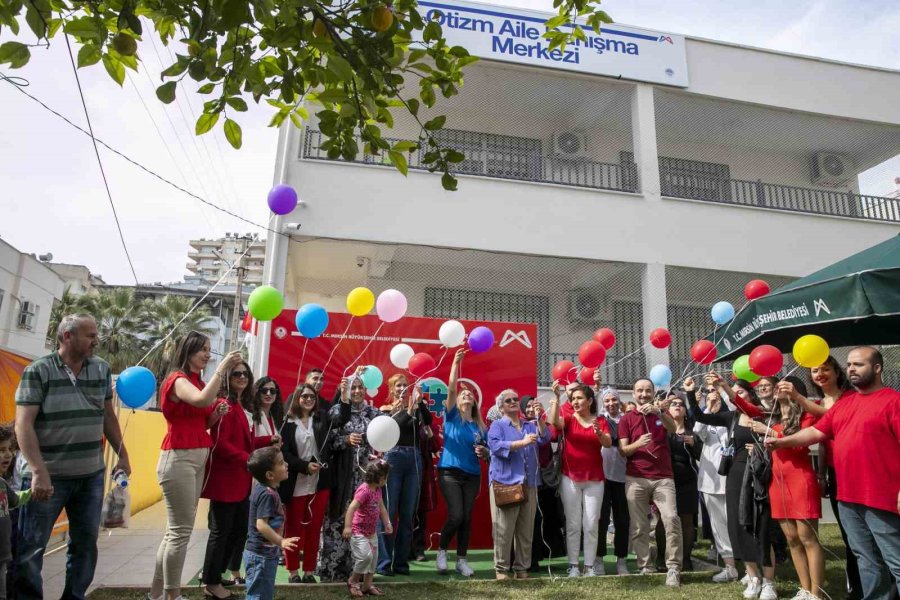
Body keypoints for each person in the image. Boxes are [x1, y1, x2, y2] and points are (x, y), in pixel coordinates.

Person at [14, 314, 131, 600]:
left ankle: (74, 596)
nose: (97, 340)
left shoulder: (101, 369)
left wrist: (123, 454)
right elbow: (23, 424)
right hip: (47, 478)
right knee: (30, 548)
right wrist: (39, 471)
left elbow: (107, 415)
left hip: (90, 475)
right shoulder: (38, 371)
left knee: (85, 545)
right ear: (68, 336)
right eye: (90, 335)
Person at [768, 347, 900, 600]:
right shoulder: (847, 403)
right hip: (849, 497)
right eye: (849, 364)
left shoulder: (893, 401)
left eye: (858, 364)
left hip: (881, 497)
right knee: (866, 560)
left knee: (894, 559)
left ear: (877, 368)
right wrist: (782, 442)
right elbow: (817, 432)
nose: (851, 369)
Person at [144, 332, 241, 600]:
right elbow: (200, 400)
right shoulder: (178, 380)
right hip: (178, 459)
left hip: (196, 458)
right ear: (188, 351)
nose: (209, 355)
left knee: (174, 532)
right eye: (204, 350)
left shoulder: (196, 381)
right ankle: (172, 595)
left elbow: (201, 422)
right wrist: (222, 369)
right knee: (179, 533)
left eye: (210, 350)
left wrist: (215, 415)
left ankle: (156, 594)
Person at [741, 378, 824, 600]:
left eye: (783, 386)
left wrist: (774, 435)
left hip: (799, 479)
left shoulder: (807, 414)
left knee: (808, 538)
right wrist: (723, 387)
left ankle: (817, 593)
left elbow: (800, 444)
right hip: (777, 482)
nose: (777, 389)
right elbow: (745, 405)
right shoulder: (773, 417)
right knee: (792, 539)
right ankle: (805, 589)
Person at [201, 364, 278, 598]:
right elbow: (221, 444)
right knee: (220, 531)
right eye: (236, 373)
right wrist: (249, 459)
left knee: (236, 532)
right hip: (226, 480)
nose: (242, 377)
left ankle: (217, 576)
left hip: (241, 481)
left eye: (245, 374)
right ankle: (210, 582)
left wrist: (267, 441)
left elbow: (245, 442)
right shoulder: (223, 404)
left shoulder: (240, 405)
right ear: (227, 377)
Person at [700, 374, 779, 600]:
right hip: (735, 475)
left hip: (757, 475)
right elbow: (699, 418)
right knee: (738, 526)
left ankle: (769, 582)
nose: (736, 397)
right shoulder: (733, 417)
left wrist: (724, 386)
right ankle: (753, 577)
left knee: (760, 526)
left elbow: (776, 437)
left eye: (741, 392)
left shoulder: (762, 414)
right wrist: (692, 395)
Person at [790, 356, 861, 600]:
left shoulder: (851, 398)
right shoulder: (819, 402)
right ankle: (856, 585)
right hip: (834, 471)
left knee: (863, 533)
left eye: (825, 369)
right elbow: (821, 440)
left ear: (837, 372)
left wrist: (799, 399)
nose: (820, 374)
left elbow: (834, 420)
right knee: (848, 532)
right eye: (814, 371)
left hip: (857, 469)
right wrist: (821, 474)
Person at [279, 383, 350, 583]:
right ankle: (293, 571)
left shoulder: (321, 418)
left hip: (319, 484)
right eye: (305, 396)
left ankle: (309, 571)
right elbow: (284, 454)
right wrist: (303, 466)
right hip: (295, 483)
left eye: (312, 396)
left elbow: (342, 418)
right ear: (297, 398)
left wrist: (344, 396)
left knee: (314, 527)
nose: (309, 399)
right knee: (293, 529)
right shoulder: (287, 422)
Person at [617, 378, 682, 587]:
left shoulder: (659, 415)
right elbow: (622, 450)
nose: (643, 394)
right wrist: (637, 444)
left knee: (671, 518)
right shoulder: (626, 418)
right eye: (640, 391)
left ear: (653, 393)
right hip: (636, 478)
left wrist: (659, 413)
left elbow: (674, 429)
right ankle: (645, 565)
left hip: (663, 478)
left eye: (647, 391)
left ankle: (673, 567)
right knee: (639, 526)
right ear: (633, 394)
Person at [318, 371, 381, 582]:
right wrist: (345, 440)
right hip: (341, 476)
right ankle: (332, 571)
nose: (356, 391)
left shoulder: (374, 413)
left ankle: (358, 571)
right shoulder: (337, 410)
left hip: (364, 478)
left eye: (360, 388)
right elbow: (327, 440)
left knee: (360, 523)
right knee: (337, 522)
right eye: (353, 387)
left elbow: (383, 436)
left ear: (365, 390)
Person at [547, 382, 611, 577]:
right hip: (570, 478)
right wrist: (557, 399)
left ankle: (589, 567)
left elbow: (608, 443)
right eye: (573, 398)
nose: (575, 401)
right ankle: (574, 565)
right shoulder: (568, 418)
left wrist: (599, 434)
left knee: (591, 523)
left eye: (579, 398)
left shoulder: (599, 421)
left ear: (590, 401)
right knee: (573, 524)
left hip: (595, 479)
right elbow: (554, 423)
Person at [488, 388, 550, 580]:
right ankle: (501, 569)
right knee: (504, 529)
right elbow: (496, 446)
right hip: (505, 483)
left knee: (525, 530)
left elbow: (545, 438)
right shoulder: (497, 425)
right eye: (509, 400)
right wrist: (521, 443)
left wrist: (539, 418)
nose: (514, 402)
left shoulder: (529, 425)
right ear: (502, 406)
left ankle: (522, 569)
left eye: (515, 399)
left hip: (529, 482)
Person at [435, 349, 488, 577]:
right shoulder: (452, 416)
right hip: (449, 472)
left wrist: (485, 451)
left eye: (470, 395)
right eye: (463, 394)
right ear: (457, 401)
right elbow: (451, 388)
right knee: (456, 515)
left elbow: (486, 454)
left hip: (472, 475)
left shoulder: (479, 426)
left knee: (466, 518)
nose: (466, 396)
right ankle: (442, 551)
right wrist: (455, 363)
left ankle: (461, 560)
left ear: (474, 402)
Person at [377, 374, 433, 577]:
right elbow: (394, 427)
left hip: (414, 459)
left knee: (408, 514)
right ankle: (384, 563)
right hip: (394, 457)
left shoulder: (415, 407)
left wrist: (420, 404)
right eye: (398, 385)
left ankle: (401, 563)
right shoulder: (385, 410)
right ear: (392, 389)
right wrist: (408, 410)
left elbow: (428, 421)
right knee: (389, 513)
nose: (402, 388)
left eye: (405, 385)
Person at [685, 378, 739, 583]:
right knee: (719, 527)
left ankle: (750, 565)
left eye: (715, 390)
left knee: (739, 524)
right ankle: (730, 567)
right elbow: (698, 432)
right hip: (710, 482)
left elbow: (739, 406)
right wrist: (707, 408)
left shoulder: (734, 416)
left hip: (733, 481)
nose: (712, 394)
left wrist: (722, 389)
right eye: (708, 391)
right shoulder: (708, 417)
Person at [243, 447, 299, 600]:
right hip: (260, 556)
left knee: (263, 593)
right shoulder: (267, 494)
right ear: (269, 475)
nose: (286, 464)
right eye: (281, 463)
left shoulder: (264, 488)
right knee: (258, 595)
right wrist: (281, 541)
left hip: (265, 554)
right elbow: (261, 524)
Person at [654, 391, 701, 572]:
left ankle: (686, 559)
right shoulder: (661, 427)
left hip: (688, 480)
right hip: (665, 479)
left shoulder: (692, 431)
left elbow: (700, 455)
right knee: (663, 520)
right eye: (673, 404)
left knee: (686, 521)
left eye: (680, 404)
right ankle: (660, 557)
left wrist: (694, 444)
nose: (677, 406)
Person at [343, 461, 392, 598]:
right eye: (386, 477)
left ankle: (367, 585)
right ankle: (353, 581)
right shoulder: (364, 491)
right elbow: (351, 508)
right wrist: (347, 527)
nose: (386, 480)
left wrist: (387, 522)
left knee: (373, 560)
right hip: (359, 532)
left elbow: (381, 508)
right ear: (379, 478)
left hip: (371, 533)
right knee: (365, 557)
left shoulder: (378, 490)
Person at [597, 386, 630, 576]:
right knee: (601, 520)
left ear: (620, 401)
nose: (611, 404)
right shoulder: (600, 420)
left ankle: (622, 560)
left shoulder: (627, 420)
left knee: (622, 521)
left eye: (614, 400)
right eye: (607, 401)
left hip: (623, 476)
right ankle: (599, 559)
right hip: (602, 476)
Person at [0, 425, 30, 600]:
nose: (8, 454)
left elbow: (16, 499)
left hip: (2, 555)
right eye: (1, 450)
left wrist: (33, 492)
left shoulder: (3, 484)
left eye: (9, 449)